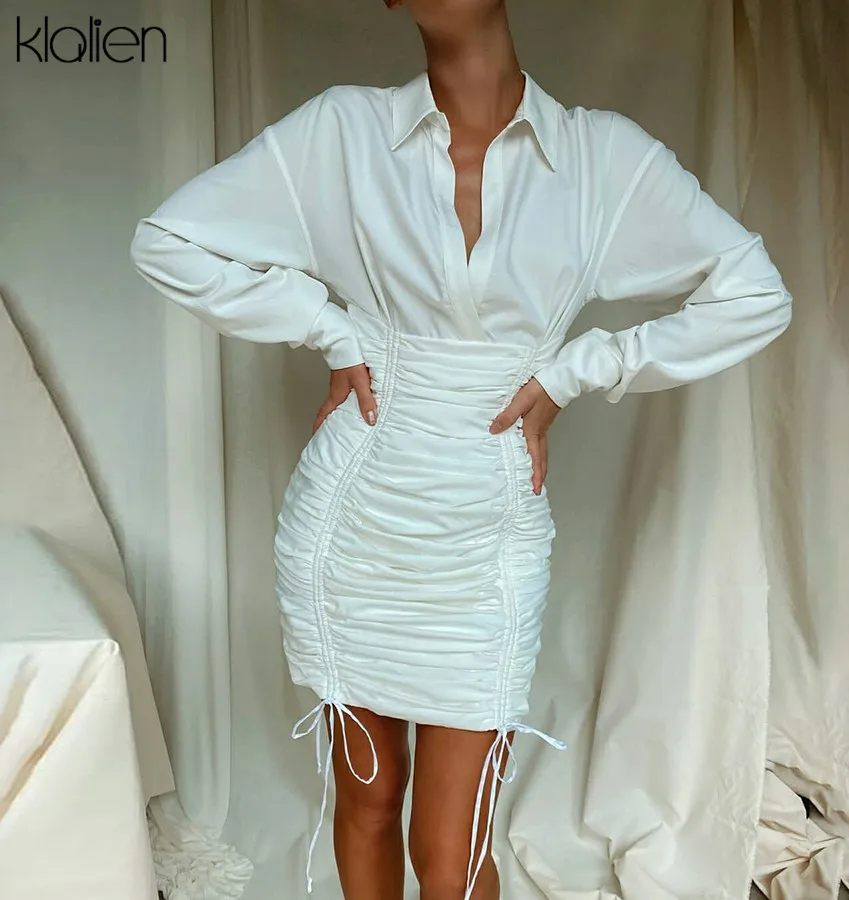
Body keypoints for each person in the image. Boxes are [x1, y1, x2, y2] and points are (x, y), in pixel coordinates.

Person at [129, 1, 793, 897]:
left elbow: (756, 295)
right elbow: (167, 240)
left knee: (452, 854)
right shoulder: (344, 131)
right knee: (367, 804)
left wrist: (579, 369)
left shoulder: (603, 158)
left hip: (486, 540)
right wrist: (328, 325)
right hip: (355, 524)